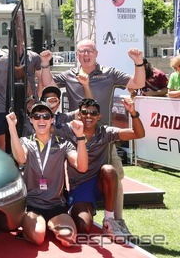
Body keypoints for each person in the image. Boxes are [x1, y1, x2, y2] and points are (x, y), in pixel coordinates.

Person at [40, 40, 145, 234]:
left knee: (114, 175)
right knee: (66, 173)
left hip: (103, 137)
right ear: (77, 55)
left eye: (89, 51)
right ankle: (66, 207)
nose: (86, 54)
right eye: (81, 51)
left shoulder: (109, 73)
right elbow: (48, 85)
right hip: (74, 137)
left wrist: (138, 62)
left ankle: (116, 221)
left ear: (96, 53)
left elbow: (138, 83)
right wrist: (46, 63)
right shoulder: (70, 74)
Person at [59, 97, 144, 236]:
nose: (89, 116)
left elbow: (138, 134)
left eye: (93, 113)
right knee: (83, 227)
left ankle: (109, 220)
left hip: (99, 183)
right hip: (79, 186)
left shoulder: (105, 132)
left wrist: (133, 113)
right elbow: (45, 129)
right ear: (79, 114)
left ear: (99, 116)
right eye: (85, 112)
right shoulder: (69, 130)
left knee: (109, 170)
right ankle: (75, 208)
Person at [6, 102, 88, 247]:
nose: (41, 120)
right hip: (32, 204)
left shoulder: (63, 144)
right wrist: (12, 127)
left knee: (69, 239)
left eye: (46, 116)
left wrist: (80, 137)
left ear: (52, 120)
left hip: (56, 204)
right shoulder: (25, 142)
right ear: (31, 120)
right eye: (36, 116)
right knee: (38, 237)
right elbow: (20, 158)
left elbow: (82, 167)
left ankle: (48, 224)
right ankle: (31, 228)